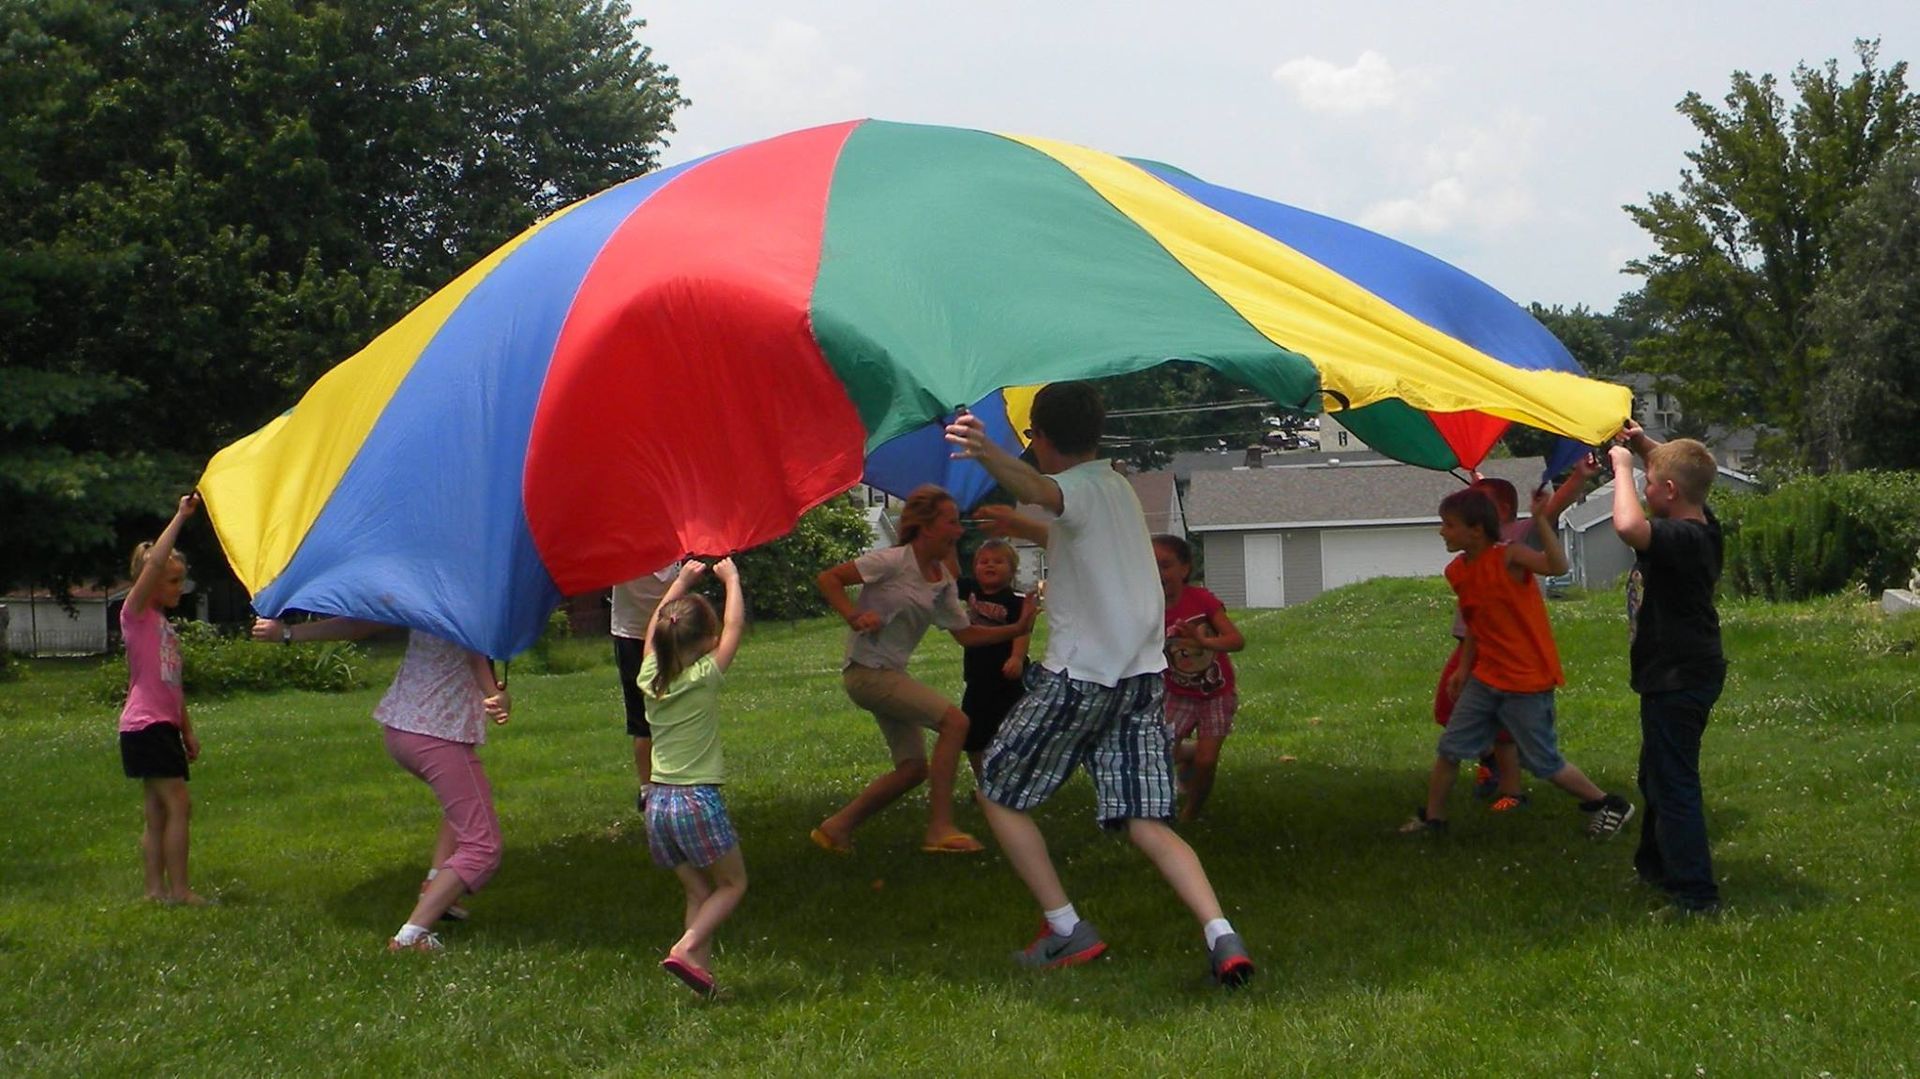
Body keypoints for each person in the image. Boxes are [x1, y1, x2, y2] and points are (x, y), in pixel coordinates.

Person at [946, 381, 1254, 987]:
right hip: (1143, 679)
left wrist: (986, 452)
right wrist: (1022, 522)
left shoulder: (1073, 488)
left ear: (1037, 437)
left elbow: (1044, 491)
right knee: (1146, 818)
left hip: (1082, 678)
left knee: (996, 790)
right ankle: (1222, 933)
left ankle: (1065, 929)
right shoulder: (1113, 485)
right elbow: (1077, 534)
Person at [253, 614, 509, 951]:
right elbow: (475, 652)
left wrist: (287, 633)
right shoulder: (464, 599)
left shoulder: (430, 589)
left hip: (404, 728)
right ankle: (412, 936)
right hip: (437, 736)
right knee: (482, 846)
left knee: (460, 809)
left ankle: (436, 888)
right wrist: (495, 694)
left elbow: (360, 623)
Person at [811, 485, 1036, 856]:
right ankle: (940, 828)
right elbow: (828, 578)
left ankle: (836, 828)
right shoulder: (892, 561)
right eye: (951, 522)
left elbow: (965, 635)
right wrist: (853, 615)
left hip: (888, 675)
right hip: (867, 674)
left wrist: (1017, 629)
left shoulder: (942, 581)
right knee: (957, 723)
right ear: (927, 528)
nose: (959, 530)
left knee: (913, 768)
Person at [1401, 486, 1635, 838]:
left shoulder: (1511, 557)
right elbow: (1475, 622)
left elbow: (1556, 565)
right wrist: (1464, 668)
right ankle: (1434, 819)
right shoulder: (1458, 571)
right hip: (1485, 678)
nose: (1441, 531)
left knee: (1543, 762)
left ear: (1476, 530)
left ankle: (1609, 804)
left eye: (1448, 525)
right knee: (1450, 748)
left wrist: (1541, 519)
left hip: (1526, 681)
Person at [1610, 422, 1727, 917]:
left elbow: (1627, 527)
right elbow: (1681, 470)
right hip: (1684, 671)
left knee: (1674, 783)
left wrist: (1620, 467)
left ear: (1669, 492)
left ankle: (1695, 896)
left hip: (1678, 677)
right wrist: (1641, 445)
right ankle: (1655, 866)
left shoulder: (1679, 536)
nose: (1642, 487)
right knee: (1656, 774)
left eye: (1648, 483)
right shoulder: (1705, 522)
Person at [1435, 465, 1596, 810]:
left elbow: (1552, 514)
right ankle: (1445, 805)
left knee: (1533, 751)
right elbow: (1474, 622)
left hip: (1521, 667)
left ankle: (1513, 787)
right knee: (1454, 717)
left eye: (1483, 501)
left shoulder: (1515, 541)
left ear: (1497, 515)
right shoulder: (1460, 566)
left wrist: (1578, 477)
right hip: (1479, 648)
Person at [640, 559, 749, 996]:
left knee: (697, 892)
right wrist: (733, 580)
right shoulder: (703, 677)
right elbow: (736, 627)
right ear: (708, 641)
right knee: (732, 883)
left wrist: (681, 581)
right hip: (695, 801)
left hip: (657, 805)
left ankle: (700, 977)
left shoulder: (650, 675)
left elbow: (652, 630)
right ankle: (685, 949)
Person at [120, 494, 206, 904]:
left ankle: (156, 892)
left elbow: (173, 686)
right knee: (179, 805)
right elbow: (155, 563)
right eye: (172, 581)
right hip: (146, 726)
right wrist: (181, 516)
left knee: (157, 813)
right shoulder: (134, 615)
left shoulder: (162, 627)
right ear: (150, 581)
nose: (179, 588)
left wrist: (187, 731)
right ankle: (180, 891)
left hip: (162, 727)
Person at [1151, 534, 1245, 822]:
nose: (1159, 573)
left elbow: (1236, 640)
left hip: (1216, 693)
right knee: (1159, 754)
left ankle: (1191, 812)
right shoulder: (1147, 608)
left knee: (1207, 760)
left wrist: (1205, 643)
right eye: (1150, 566)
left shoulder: (1201, 600)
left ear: (1185, 569)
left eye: (1165, 565)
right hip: (1177, 694)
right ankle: (1161, 800)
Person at [957, 538, 1032, 780]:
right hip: (978, 677)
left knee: (1009, 730)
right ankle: (983, 780)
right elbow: (948, 574)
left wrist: (1017, 658)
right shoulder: (970, 590)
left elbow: (1022, 631)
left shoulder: (1015, 601)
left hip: (1007, 680)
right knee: (973, 733)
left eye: (998, 562)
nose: (990, 566)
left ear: (1012, 571)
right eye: (983, 561)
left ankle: (1010, 778)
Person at [611, 565, 679, 812]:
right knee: (649, 718)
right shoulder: (673, 542)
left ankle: (648, 788)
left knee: (642, 720)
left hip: (653, 634)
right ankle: (653, 786)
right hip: (649, 635)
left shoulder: (624, 544)